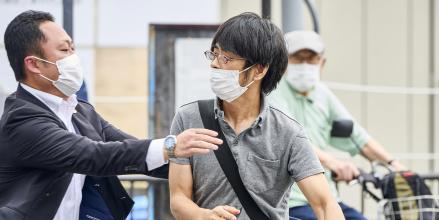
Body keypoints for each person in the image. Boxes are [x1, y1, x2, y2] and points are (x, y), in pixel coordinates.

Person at [0, 10, 223, 220]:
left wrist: (212, 167)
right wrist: (171, 146)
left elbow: (131, 149)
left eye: (73, 49)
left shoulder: (79, 111)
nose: (73, 58)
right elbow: (93, 155)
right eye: (64, 50)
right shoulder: (22, 119)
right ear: (34, 64)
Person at [168, 13, 344, 220]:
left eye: (227, 58)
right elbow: (178, 199)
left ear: (259, 70)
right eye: (214, 54)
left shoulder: (288, 133)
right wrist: (203, 215)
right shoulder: (188, 118)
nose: (215, 64)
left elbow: (325, 205)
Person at [268, 30, 407, 220]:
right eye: (298, 59)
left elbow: (359, 137)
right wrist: (333, 163)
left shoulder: (322, 94)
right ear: (283, 63)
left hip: (327, 197)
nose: (305, 65)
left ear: (322, 63)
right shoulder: (273, 91)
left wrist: (395, 165)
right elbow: (292, 138)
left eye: (312, 59)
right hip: (290, 200)